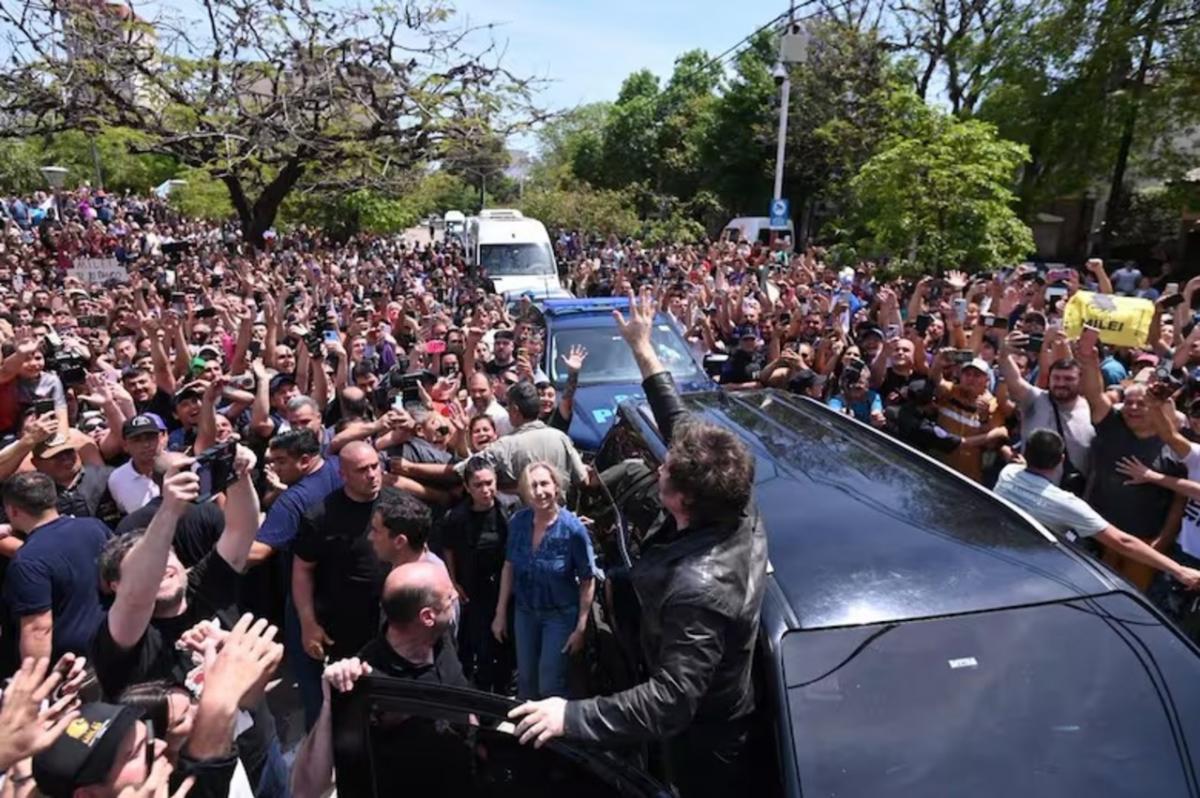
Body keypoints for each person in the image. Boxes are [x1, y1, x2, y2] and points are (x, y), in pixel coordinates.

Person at [509, 292, 767, 798]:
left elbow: (672, 701)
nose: (660, 463)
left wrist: (571, 716)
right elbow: (674, 415)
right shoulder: (733, 492)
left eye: (664, 469)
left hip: (703, 738)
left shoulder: (699, 590)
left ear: (681, 501)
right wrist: (642, 347)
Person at [89, 449, 289, 797]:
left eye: (168, 555)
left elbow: (241, 531)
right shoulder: (121, 636)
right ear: (116, 586)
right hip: (194, 774)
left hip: (258, 745)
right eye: (149, 564)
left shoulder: (203, 586)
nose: (163, 566)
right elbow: (137, 596)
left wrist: (238, 476)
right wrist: (169, 510)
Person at [290, 561, 468, 798]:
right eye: (449, 597)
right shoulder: (365, 682)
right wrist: (330, 706)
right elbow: (306, 789)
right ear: (427, 617)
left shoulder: (439, 638)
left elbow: (462, 700)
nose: (456, 597)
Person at [993, 428, 1200, 588]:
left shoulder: (1008, 473)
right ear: (1061, 459)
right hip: (1030, 576)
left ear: (1026, 453)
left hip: (995, 559)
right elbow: (1122, 541)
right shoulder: (1065, 503)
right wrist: (1179, 570)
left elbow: (1021, 467)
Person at [292, 441, 386, 727]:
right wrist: (308, 624)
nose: (372, 474)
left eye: (375, 466)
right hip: (344, 629)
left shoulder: (396, 505)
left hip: (391, 622)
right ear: (343, 475)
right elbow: (302, 570)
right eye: (362, 470)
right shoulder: (320, 516)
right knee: (348, 707)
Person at [491, 462, 593, 700]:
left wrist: (581, 626)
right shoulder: (518, 522)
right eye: (533, 485)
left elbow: (587, 579)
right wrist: (500, 613)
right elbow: (509, 566)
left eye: (544, 484)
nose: (539, 491)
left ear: (556, 486)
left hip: (559, 615)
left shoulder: (573, 529)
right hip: (525, 612)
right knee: (526, 680)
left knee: (550, 682)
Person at [1, 471, 109, 662]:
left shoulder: (28, 560)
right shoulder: (95, 527)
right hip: (111, 650)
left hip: (68, 668)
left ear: (13, 511)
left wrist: (34, 677)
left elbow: (38, 629)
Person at [440, 459, 515, 691]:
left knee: (508, 647)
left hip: (506, 587)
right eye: (478, 485)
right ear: (467, 487)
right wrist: (453, 581)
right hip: (474, 589)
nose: (485, 490)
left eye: (489, 483)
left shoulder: (509, 508)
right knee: (482, 648)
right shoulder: (457, 517)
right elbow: (449, 549)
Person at [107, 414, 167, 516]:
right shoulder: (117, 479)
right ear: (125, 445)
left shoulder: (179, 465)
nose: (146, 444)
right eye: (137, 440)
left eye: (150, 438)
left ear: (160, 439)